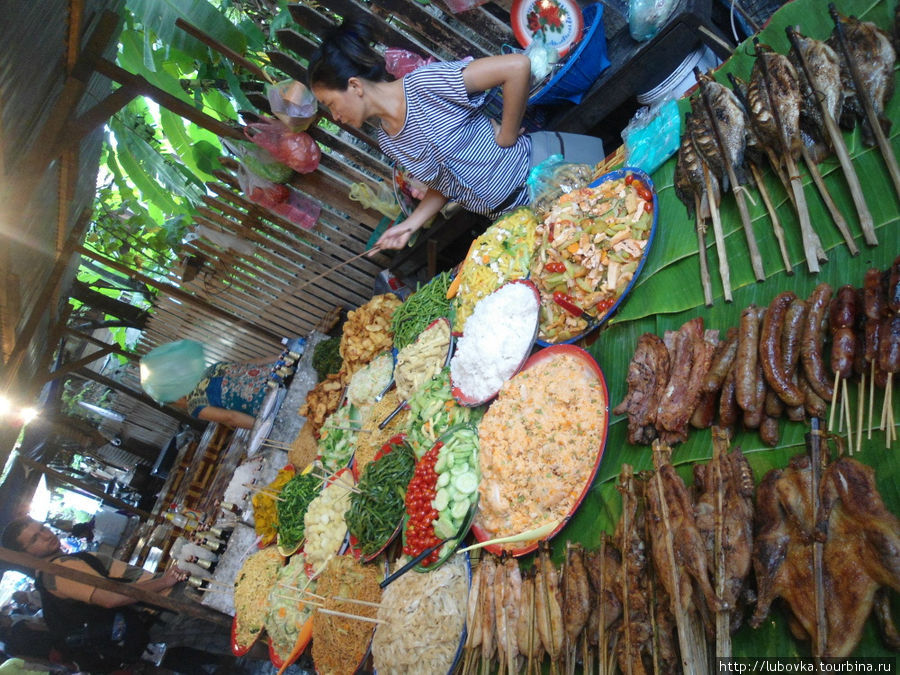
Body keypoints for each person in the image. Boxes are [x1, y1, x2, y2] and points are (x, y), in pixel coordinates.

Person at [308, 17, 606, 251]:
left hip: (554, 174)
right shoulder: (388, 141)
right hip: (516, 216)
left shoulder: (423, 85)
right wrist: (409, 225)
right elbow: (443, 184)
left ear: (355, 86)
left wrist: (506, 135)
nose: (335, 116)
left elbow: (517, 66)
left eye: (330, 104)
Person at [1, 517, 231, 673]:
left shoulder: (53, 569)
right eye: (33, 539)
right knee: (233, 632)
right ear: (25, 554)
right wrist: (165, 581)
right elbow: (112, 598)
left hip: (161, 609)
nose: (44, 535)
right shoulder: (57, 573)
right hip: (166, 609)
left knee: (228, 636)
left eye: (40, 528)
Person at [169, 358, 276, 429]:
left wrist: (266, 428)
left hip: (268, 403)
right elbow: (253, 363)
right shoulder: (210, 369)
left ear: (176, 399)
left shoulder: (194, 405)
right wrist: (283, 357)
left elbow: (231, 417)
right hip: (279, 375)